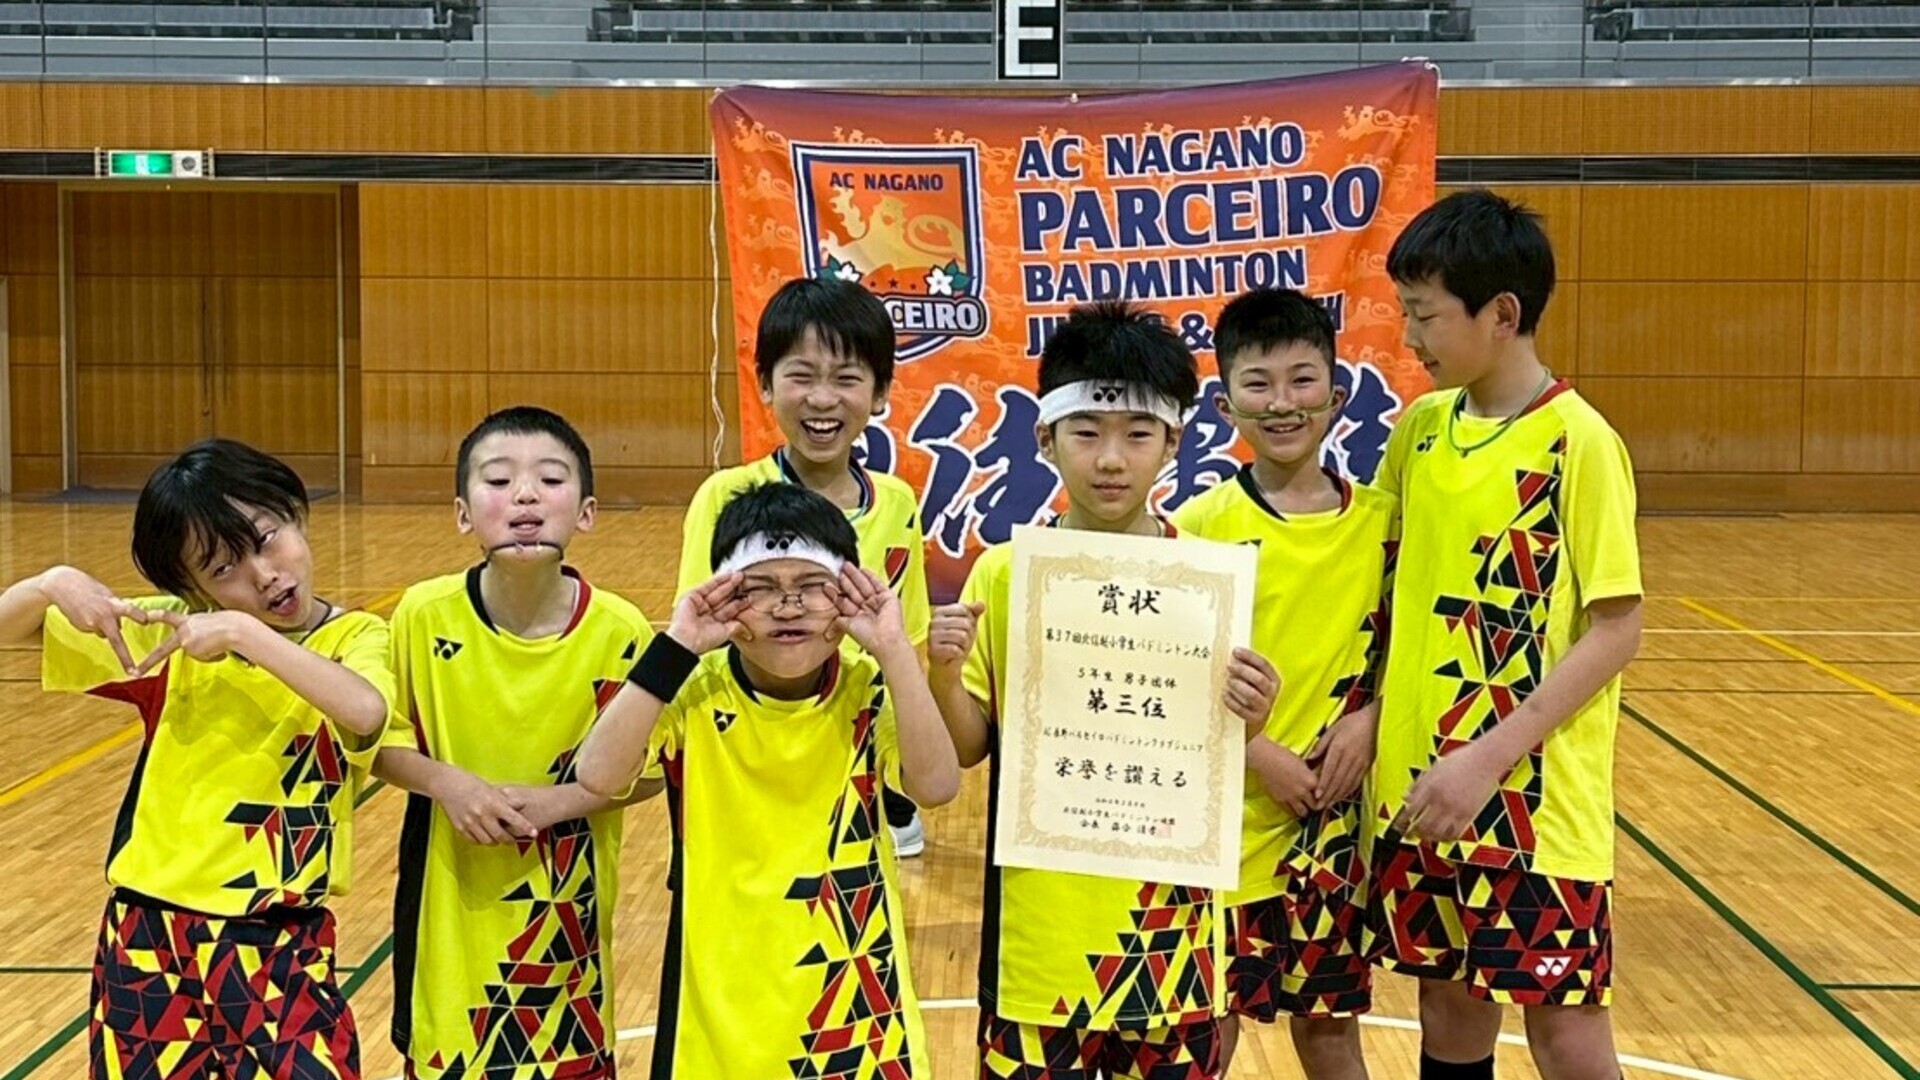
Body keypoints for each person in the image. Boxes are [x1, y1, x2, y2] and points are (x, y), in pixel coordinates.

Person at [928, 300, 1282, 1080]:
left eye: (1138, 435)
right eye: (1087, 433)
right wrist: (944, 676)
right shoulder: (1004, 573)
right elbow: (970, 746)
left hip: (1171, 933)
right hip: (1038, 939)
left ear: (1174, 443)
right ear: (1045, 439)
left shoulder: (1211, 580)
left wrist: (1254, 718)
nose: (1112, 460)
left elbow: (1221, 746)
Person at [0, 438, 393, 1079]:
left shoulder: (355, 636)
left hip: (274, 937)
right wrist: (49, 584)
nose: (263, 574)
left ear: (297, 513)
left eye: (267, 538)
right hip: (146, 935)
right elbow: (9, 627)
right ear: (191, 588)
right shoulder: (174, 637)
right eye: (224, 568)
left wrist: (244, 633)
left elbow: (366, 710)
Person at [1368, 190, 1643, 1080]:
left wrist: (1486, 759)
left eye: (1425, 315)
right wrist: (1369, 718)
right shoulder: (1421, 429)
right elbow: (1384, 587)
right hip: (1419, 791)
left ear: (1502, 314)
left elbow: (1616, 630)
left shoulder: (1579, 441)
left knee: (1565, 1031)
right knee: (1448, 1010)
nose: (1410, 336)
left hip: (1531, 805)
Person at [578, 481, 961, 1079]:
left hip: (853, 995)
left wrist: (893, 650)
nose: (788, 607)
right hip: (720, 997)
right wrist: (677, 645)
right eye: (761, 588)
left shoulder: (866, 687)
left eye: (812, 586)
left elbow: (936, 786)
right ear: (726, 597)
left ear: (848, 595)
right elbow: (598, 775)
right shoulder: (694, 689)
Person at [375, 406, 656, 1079]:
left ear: (586, 512)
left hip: (567, 923)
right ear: (462, 514)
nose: (525, 496)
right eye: (499, 481)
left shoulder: (622, 630)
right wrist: (447, 784)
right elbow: (377, 740)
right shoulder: (422, 615)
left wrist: (563, 801)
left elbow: (654, 767)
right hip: (447, 919)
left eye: (550, 480)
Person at [1171, 287, 1395, 1080]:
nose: (1282, 402)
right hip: (1222, 826)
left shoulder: (1385, 522)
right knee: (1208, 1032)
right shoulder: (1198, 526)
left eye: (1303, 380)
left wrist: (1372, 722)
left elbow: (1407, 651)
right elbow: (1173, 672)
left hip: (1333, 835)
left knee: (1330, 1033)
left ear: (1337, 395)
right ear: (1224, 404)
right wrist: (1259, 752)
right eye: (1258, 384)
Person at [677, 276, 935, 856]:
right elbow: (700, 637)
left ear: (881, 392)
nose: (822, 399)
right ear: (766, 385)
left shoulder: (897, 503)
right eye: (801, 375)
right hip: (754, 740)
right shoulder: (726, 496)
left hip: (857, 742)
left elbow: (906, 641)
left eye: (846, 378)